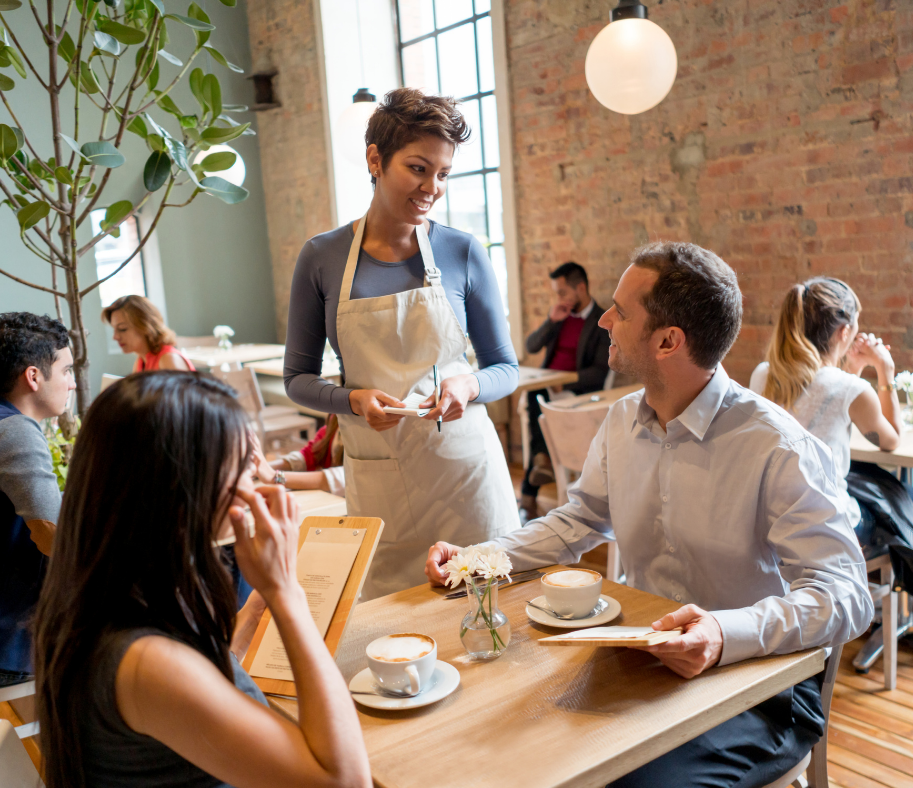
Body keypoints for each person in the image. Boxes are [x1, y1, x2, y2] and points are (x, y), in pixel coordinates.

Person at [425, 242, 873, 787]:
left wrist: (723, 633)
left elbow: (846, 596)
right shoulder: (619, 422)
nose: (605, 321)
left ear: (668, 341)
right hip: (640, 662)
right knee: (498, 746)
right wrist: (478, 558)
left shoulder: (777, 445)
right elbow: (576, 522)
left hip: (757, 687)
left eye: (621, 311)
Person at [35, 372, 371, 788]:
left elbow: (202, 677)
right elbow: (344, 780)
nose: (255, 483)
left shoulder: (105, 591)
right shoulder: (146, 663)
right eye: (242, 468)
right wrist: (286, 592)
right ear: (184, 487)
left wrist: (251, 615)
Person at [284, 87, 519, 599]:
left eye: (443, 174)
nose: (432, 187)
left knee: (486, 625)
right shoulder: (321, 258)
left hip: (467, 481)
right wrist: (351, 399)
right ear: (375, 159)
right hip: (380, 483)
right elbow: (296, 379)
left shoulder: (461, 251)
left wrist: (469, 386)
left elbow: (505, 367)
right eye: (418, 168)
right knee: (393, 634)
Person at [750, 278, 912, 582]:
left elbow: (825, 398)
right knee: (900, 499)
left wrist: (854, 371)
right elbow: (891, 440)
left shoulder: (763, 374)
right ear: (844, 332)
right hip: (826, 529)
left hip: (772, 521)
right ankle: (888, 605)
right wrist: (884, 370)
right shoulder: (850, 388)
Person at [0, 312, 74, 688]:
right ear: (33, 377)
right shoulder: (11, 431)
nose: (73, 383)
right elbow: (54, 536)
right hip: (2, 643)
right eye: (66, 371)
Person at [521, 261, 610, 517]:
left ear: (580, 288)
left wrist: (566, 381)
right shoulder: (560, 317)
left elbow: (600, 371)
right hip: (546, 389)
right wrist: (551, 320)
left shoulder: (600, 321)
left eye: (562, 292)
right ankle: (541, 459)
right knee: (534, 393)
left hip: (575, 393)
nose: (558, 298)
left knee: (538, 400)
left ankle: (530, 490)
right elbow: (531, 346)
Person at [254, 414, 346, 496]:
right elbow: (309, 455)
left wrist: (275, 476)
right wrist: (259, 467)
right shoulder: (335, 418)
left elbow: (340, 478)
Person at [102, 294, 196, 372]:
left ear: (145, 326)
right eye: (114, 329)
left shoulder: (168, 360)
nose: (115, 337)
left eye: (122, 329)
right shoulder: (140, 361)